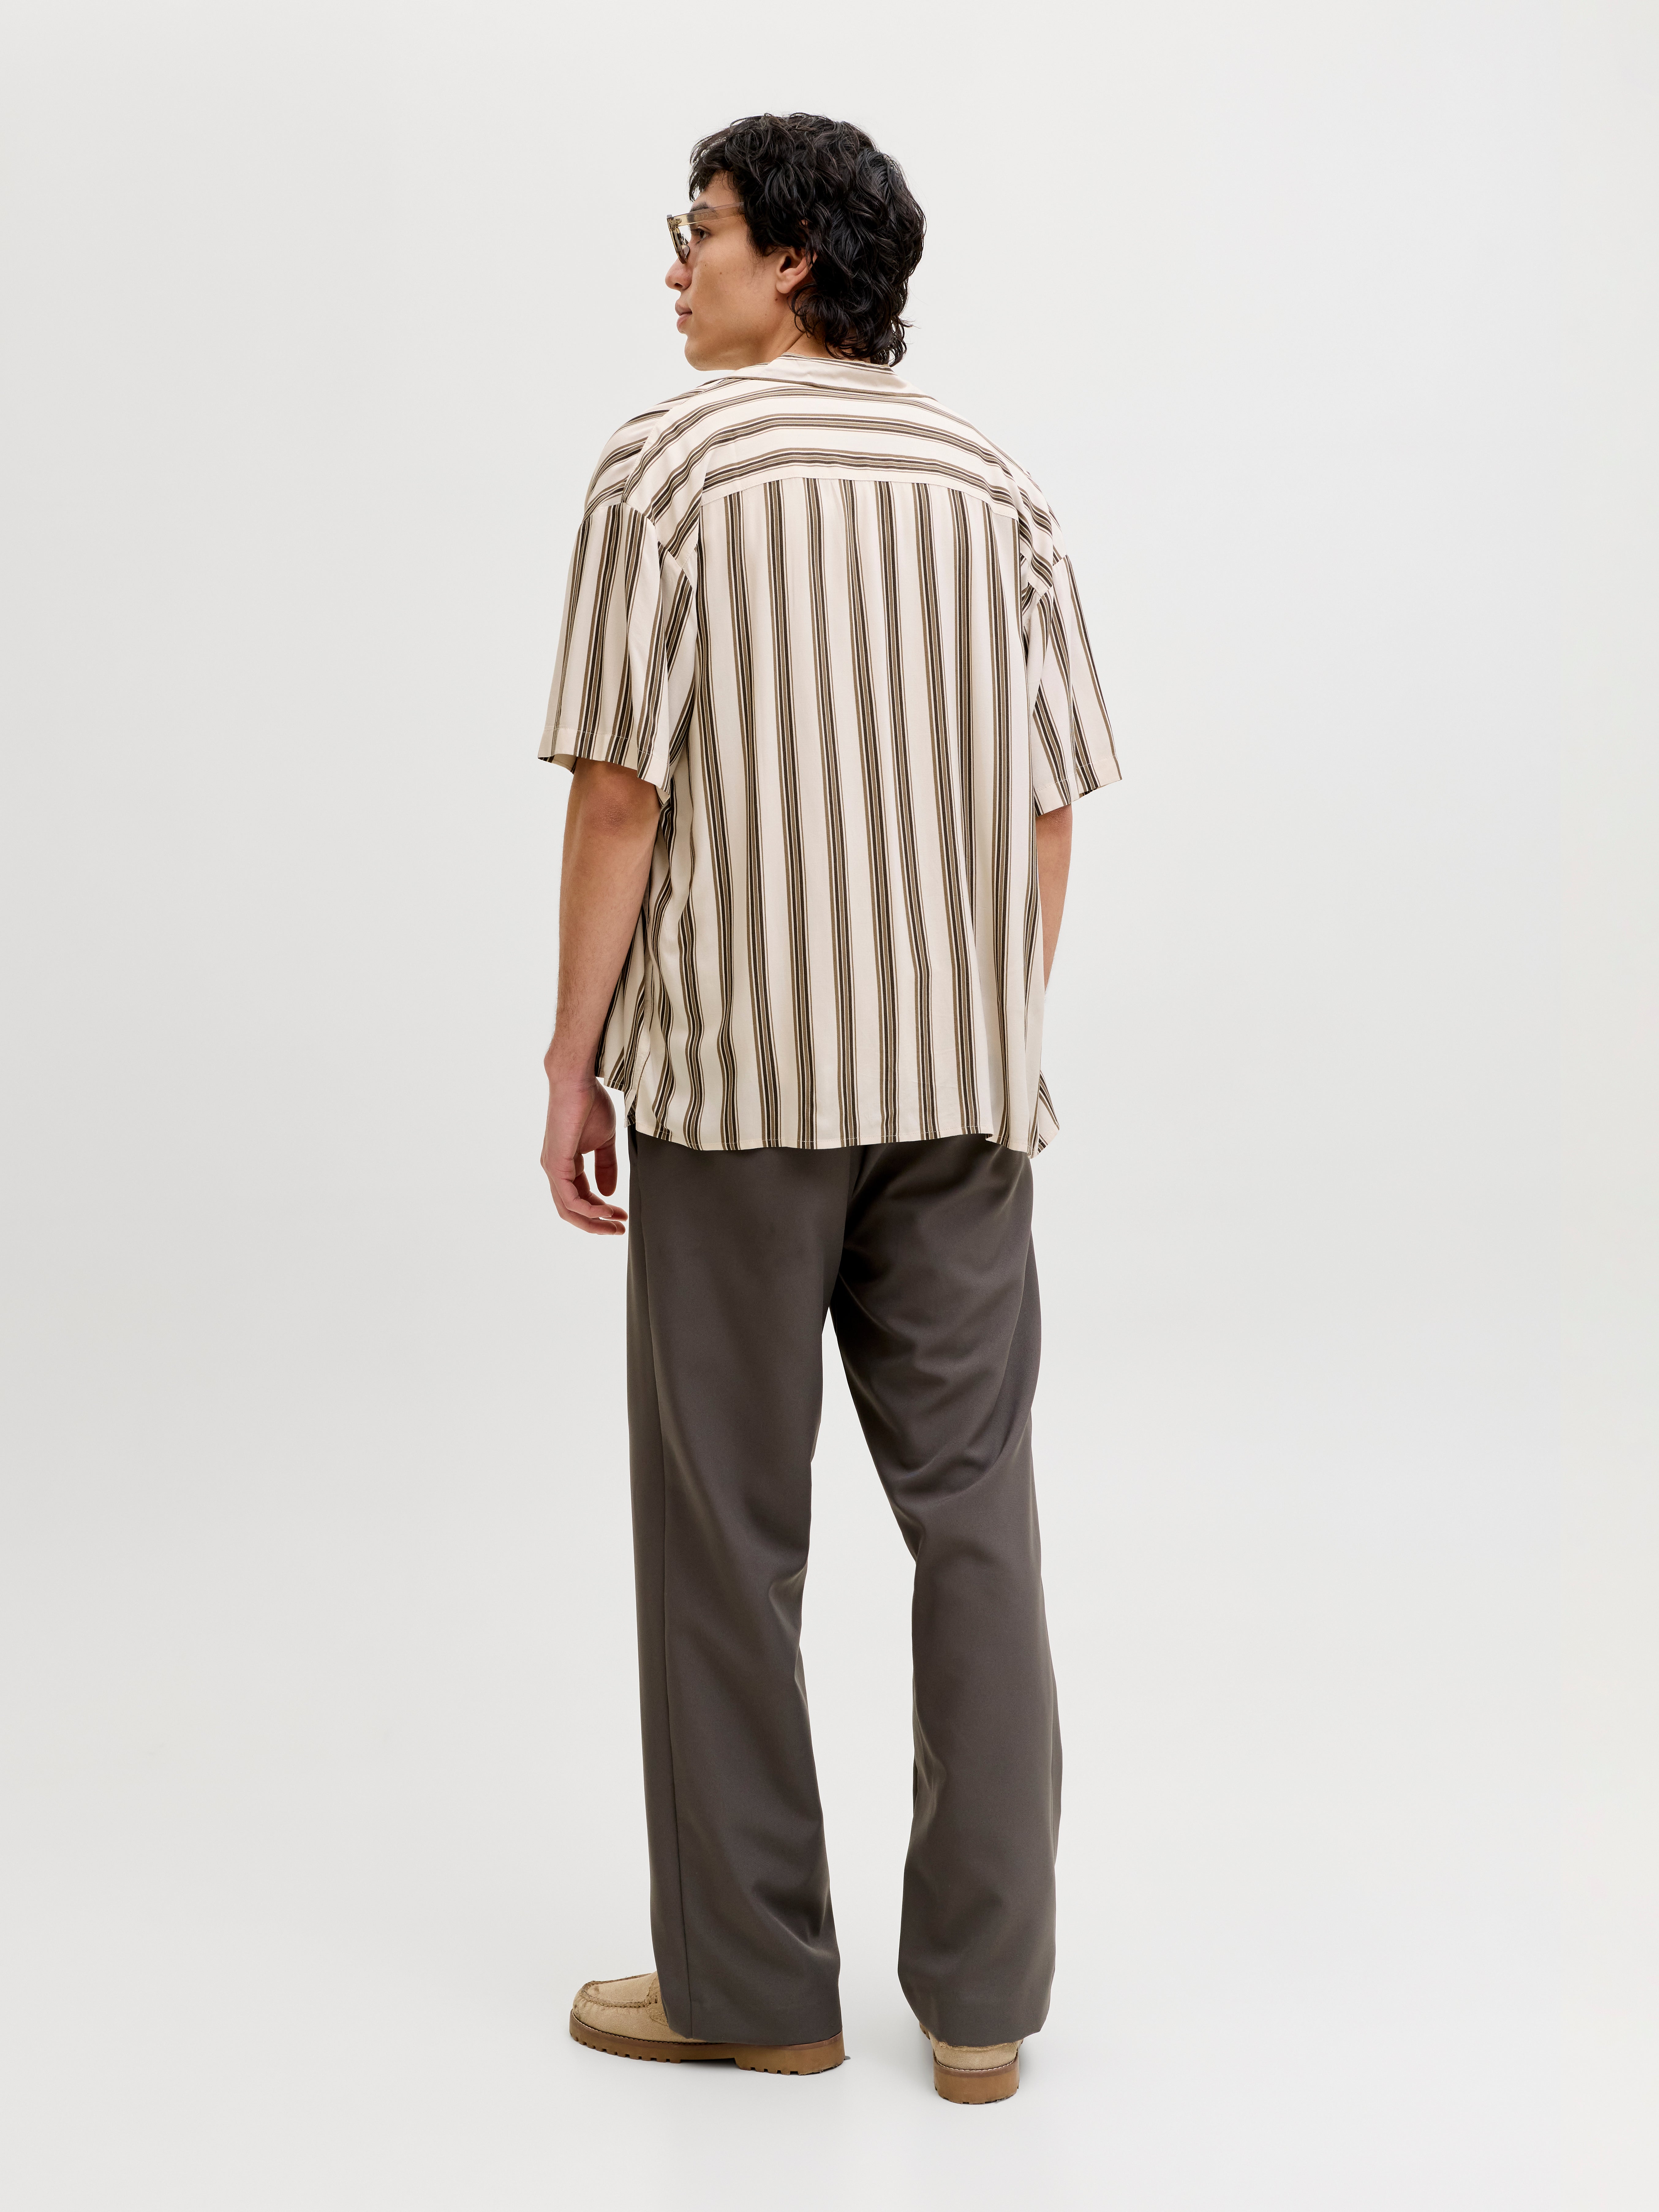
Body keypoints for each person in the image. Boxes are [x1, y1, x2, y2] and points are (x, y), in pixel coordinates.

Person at [537, 111, 1118, 2105]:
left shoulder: (671, 465)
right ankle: (984, 2006)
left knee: (726, 1534)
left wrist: (572, 1053)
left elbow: (621, 790)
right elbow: (1052, 804)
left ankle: (757, 1985)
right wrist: (979, 1018)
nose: (674, 264)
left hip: (740, 1086)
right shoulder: (992, 477)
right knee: (978, 1520)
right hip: (963, 1095)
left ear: (789, 256)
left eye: (695, 229)